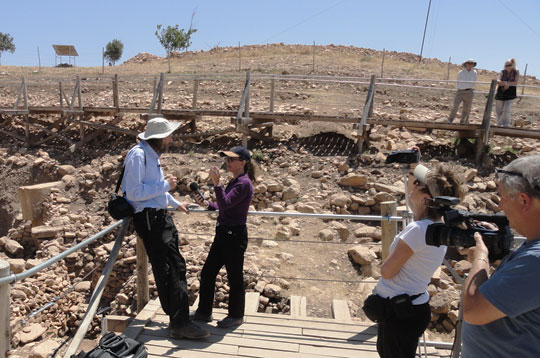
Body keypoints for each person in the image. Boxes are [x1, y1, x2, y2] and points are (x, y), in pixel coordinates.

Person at [122, 117, 209, 339]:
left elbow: (155, 190)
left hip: (160, 217)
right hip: (151, 219)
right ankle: (179, 322)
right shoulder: (138, 155)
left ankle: (178, 319)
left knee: (173, 267)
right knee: (171, 268)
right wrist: (166, 186)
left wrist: (174, 202)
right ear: (159, 138)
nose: (171, 139)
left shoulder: (151, 155)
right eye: (169, 136)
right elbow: (133, 193)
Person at [372, 161, 465, 358]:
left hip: (400, 312)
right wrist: (416, 163)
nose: (410, 186)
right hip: (412, 307)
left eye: (416, 184)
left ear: (426, 199)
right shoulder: (436, 228)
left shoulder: (418, 230)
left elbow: (387, 271)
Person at [461, 155, 540, 358]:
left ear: (523, 200)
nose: (500, 207)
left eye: (502, 197)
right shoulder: (532, 248)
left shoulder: (535, 260)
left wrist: (480, 258)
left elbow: (473, 311)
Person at [190, 146, 255, 328]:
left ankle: (236, 315)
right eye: (226, 159)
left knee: (234, 277)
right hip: (224, 233)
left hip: (233, 235)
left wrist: (217, 183)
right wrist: (208, 204)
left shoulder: (243, 183)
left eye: (231, 160)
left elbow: (225, 204)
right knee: (208, 272)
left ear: (242, 162)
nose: (227, 162)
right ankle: (203, 312)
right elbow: (224, 206)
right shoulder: (236, 181)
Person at [448, 59, 478, 124]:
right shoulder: (460, 72)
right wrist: (460, 88)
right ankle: (450, 120)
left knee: (466, 108)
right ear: (466, 64)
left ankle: (463, 121)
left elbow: (474, 82)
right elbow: (457, 81)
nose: (470, 65)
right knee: (455, 106)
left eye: (471, 64)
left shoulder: (475, 73)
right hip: (460, 91)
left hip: (469, 91)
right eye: (469, 63)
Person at [495, 58, 519, 127]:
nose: (507, 67)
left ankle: (505, 124)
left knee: (507, 108)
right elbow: (498, 80)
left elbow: (515, 82)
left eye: (509, 65)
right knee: (499, 109)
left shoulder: (516, 71)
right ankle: (499, 124)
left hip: (510, 92)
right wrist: (506, 83)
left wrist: (506, 84)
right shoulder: (502, 71)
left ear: (512, 65)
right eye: (506, 65)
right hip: (501, 91)